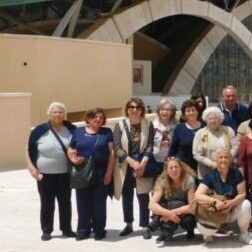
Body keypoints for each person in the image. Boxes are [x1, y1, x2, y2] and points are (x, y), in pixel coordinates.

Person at [25, 102, 77, 240]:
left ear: (64, 114)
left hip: (65, 174)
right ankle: (46, 230)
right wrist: (31, 168)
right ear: (49, 113)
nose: (58, 114)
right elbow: (28, 150)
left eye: (60, 112)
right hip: (45, 175)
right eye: (54, 112)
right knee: (47, 203)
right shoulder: (39, 130)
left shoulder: (72, 129)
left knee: (65, 202)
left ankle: (67, 229)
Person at [68, 108, 115, 240]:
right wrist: (72, 158)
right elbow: (71, 149)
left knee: (99, 203)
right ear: (88, 118)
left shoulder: (106, 132)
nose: (98, 119)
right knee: (82, 202)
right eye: (95, 117)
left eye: (101, 117)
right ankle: (83, 230)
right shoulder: (78, 131)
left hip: (100, 173)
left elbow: (112, 153)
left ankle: (99, 230)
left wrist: (109, 173)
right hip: (82, 172)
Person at [193, 148, 252, 245]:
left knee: (246, 204)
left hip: (231, 210)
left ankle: (244, 234)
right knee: (206, 230)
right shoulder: (210, 176)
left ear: (230, 160)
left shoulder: (236, 174)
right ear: (216, 160)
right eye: (220, 157)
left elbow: (242, 194)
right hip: (215, 212)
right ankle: (208, 234)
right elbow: (197, 195)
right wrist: (215, 201)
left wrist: (231, 203)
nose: (223, 160)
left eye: (226, 157)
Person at [112, 97, 155, 238]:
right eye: (131, 107)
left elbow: (150, 145)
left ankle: (144, 225)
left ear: (142, 110)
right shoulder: (120, 125)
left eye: (137, 107)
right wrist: (133, 163)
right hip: (126, 165)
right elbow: (117, 148)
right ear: (127, 109)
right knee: (127, 196)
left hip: (143, 164)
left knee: (143, 196)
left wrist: (142, 164)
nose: (134, 110)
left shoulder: (148, 125)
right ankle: (128, 224)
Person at [148, 157, 197, 242]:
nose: (174, 170)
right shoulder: (162, 181)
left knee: (189, 222)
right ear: (166, 171)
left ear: (181, 168)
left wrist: (171, 213)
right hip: (168, 206)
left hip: (184, 210)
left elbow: (192, 206)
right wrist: (169, 214)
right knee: (163, 205)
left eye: (176, 167)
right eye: (171, 168)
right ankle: (165, 231)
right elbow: (151, 205)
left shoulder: (189, 180)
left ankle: (190, 230)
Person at [193, 106, 238, 179]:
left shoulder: (228, 130)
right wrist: (211, 164)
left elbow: (235, 147)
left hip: (227, 170)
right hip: (207, 172)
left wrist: (226, 160)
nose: (212, 121)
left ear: (220, 120)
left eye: (215, 118)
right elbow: (196, 154)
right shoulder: (200, 133)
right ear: (206, 120)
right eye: (210, 119)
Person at [169, 99, 205, 173]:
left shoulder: (205, 127)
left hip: (202, 166)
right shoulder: (180, 128)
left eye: (193, 110)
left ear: (198, 111)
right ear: (184, 114)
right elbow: (173, 149)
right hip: (183, 168)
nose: (191, 113)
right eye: (188, 111)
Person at [151, 100, 178, 179]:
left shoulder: (177, 126)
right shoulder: (152, 126)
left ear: (172, 112)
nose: (164, 112)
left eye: (168, 110)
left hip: (171, 162)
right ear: (158, 111)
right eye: (162, 109)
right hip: (155, 161)